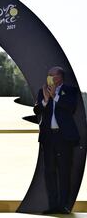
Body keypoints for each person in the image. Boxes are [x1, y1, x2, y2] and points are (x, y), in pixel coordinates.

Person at [33, 66, 80, 214]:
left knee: (64, 171)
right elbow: (37, 110)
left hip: (64, 137)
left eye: (52, 75)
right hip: (48, 137)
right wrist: (46, 100)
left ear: (60, 77)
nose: (49, 78)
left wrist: (55, 96)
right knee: (50, 171)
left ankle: (64, 205)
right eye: (48, 75)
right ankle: (53, 206)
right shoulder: (43, 91)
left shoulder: (70, 90)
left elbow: (71, 108)